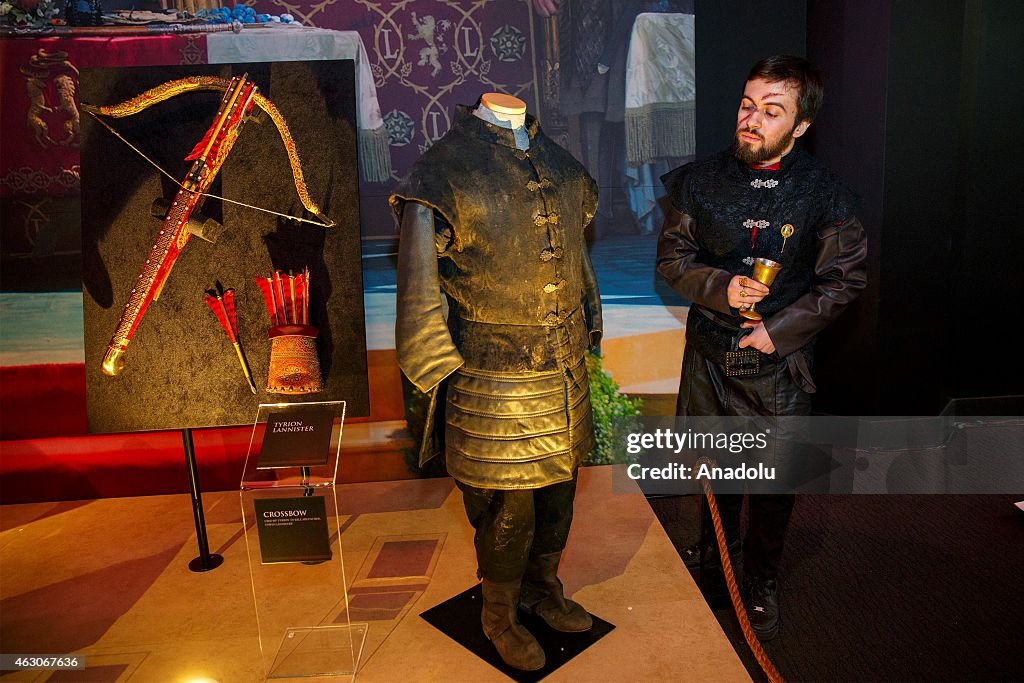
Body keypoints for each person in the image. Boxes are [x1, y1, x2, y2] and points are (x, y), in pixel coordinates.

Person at [656, 55, 867, 641]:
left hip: (776, 363)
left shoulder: (825, 194)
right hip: (708, 355)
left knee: (772, 483)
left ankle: (761, 578)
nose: (752, 120)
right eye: (748, 105)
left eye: (772, 112)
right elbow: (672, 261)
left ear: (800, 126)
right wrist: (721, 287)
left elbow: (845, 280)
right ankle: (716, 564)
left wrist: (778, 329)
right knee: (711, 472)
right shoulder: (699, 180)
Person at [391, 93, 602, 671]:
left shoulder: (559, 163)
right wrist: (435, 373)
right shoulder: (443, 172)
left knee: (560, 491)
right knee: (511, 509)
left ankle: (543, 588)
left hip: (561, 373)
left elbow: (578, 260)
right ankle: (499, 613)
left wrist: (588, 322)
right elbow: (417, 291)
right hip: (492, 380)